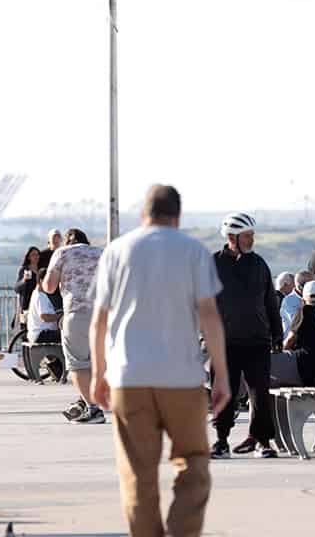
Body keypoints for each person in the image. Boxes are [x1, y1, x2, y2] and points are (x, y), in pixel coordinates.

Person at [89, 184, 230, 537]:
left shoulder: (117, 251)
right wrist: (223, 376)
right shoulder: (194, 251)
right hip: (181, 378)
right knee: (194, 464)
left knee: (138, 474)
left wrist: (98, 373)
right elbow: (209, 316)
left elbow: (98, 320)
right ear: (177, 216)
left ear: (143, 213)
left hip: (128, 377)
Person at [210, 212, 281, 459]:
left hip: (257, 340)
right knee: (223, 393)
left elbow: (270, 301)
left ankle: (263, 441)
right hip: (223, 342)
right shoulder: (213, 264)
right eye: (247, 236)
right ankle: (221, 441)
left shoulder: (259, 264)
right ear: (232, 237)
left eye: (252, 235)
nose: (251, 240)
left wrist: (277, 334)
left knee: (260, 393)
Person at [43, 228, 104, 423]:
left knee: (77, 364)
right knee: (98, 363)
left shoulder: (62, 253)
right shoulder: (102, 253)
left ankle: (93, 410)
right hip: (104, 315)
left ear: (68, 241)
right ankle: (86, 400)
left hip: (76, 314)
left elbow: (49, 286)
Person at [271, 280, 315, 387]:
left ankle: (246, 398)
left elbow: (290, 340)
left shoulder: (304, 311)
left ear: (303, 299)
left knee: (260, 361)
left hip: (304, 366)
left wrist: (280, 350)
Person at [27, 269, 61, 344]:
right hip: (42, 334)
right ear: (42, 280)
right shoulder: (40, 296)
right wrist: (60, 316)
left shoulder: (39, 294)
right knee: (69, 335)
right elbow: (45, 317)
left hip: (43, 333)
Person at [279, 269, 313, 339]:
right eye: (311, 285)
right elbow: (298, 324)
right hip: (293, 345)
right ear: (300, 287)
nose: (313, 287)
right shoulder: (289, 301)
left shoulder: (314, 296)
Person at [14, 246, 41, 327]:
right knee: (26, 328)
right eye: (33, 255)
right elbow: (16, 288)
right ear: (28, 257)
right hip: (27, 304)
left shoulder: (41, 269)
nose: (36, 257)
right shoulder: (25, 269)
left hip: (40, 302)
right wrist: (24, 280)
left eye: (37, 254)